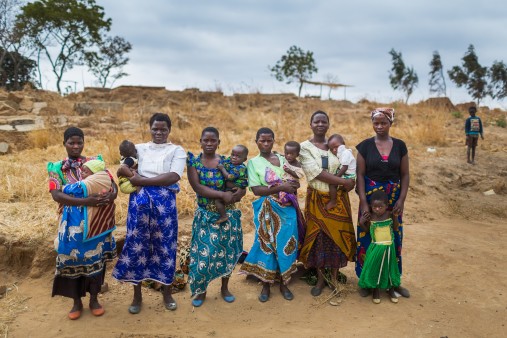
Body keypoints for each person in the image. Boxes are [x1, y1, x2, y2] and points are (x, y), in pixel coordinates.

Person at [112, 113, 186, 314]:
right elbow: (122, 168)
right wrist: (130, 175)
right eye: (155, 128)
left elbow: (173, 176)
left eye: (163, 129)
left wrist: (140, 180)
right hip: (140, 204)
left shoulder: (177, 150)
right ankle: (137, 296)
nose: (159, 132)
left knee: (166, 246)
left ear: (169, 130)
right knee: (137, 246)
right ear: (150, 128)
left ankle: (167, 292)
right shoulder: (139, 148)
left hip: (165, 206)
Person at [47, 127, 117, 320]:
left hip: (97, 221)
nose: (76, 146)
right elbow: (56, 195)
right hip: (71, 224)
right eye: (71, 143)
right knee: (72, 258)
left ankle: (94, 299)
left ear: (84, 143)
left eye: (79, 142)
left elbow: (111, 183)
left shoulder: (94, 162)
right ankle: (76, 302)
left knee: (96, 259)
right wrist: (85, 202)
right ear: (64, 144)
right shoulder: (56, 168)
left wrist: (112, 196)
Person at [298, 111, 356, 297]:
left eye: (324, 121)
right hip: (316, 199)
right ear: (311, 124)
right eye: (317, 121)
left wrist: (349, 181)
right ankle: (320, 279)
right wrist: (344, 182)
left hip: (338, 199)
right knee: (318, 239)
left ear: (328, 124)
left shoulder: (336, 145)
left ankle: (333, 277)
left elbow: (348, 164)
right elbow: (315, 173)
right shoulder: (304, 147)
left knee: (336, 239)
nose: (320, 124)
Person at [239, 128, 300, 303]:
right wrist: (282, 188)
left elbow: (295, 180)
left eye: (269, 141)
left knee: (286, 243)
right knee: (267, 243)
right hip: (267, 209)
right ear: (256, 141)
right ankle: (266, 284)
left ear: (274, 141)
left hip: (287, 208)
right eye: (262, 141)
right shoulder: (253, 163)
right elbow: (257, 190)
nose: (265, 144)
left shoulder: (283, 158)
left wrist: (292, 187)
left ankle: (284, 282)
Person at [187, 127, 246, 307]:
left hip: (227, 215)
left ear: (219, 142)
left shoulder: (227, 163)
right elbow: (198, 187)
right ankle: (201, 290)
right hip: (205, 214)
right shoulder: (194, 163)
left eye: (213, 141)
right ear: (201, 142)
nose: (209, 144)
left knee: (227, 253)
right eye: (206, 140)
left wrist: (239, 192)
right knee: (203, 256)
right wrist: (222, 196)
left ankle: (225, 288)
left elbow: (238, 184)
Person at [355, 107, 410, 299]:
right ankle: (366, 281)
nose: (379, 126)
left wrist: (401, 200)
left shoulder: (401, 146)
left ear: (390, 123)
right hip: (370, 200)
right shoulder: (364, 146)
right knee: (366, 238)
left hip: (393, 199)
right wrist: (363, 202)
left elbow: (405, 174)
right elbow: (359, 175)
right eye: (376, 123)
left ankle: (393, 282)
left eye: (383, 122)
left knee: (394, 238)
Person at [358, 190, 400, 304]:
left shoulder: (390, 215)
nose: (377, 209)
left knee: (390, 269)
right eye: (374, 207)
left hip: (389, 248)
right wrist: (362, 223)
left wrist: (396, 217)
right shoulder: (371, 217)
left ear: (386, 206)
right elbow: (368, 232)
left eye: (380, 207)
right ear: (371, 206)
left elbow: (396, 228)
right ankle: (375, 290)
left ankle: (391, 290)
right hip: (376, 248)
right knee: (375, 269)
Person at [215, 144, 249, 224]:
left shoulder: (240, 168)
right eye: (232, 155)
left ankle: (224, 216)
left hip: (233, 191)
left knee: (218, 201)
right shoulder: (230, 162)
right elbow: (223, 161)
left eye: (238, 156)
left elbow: (230, 177)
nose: (234, 157)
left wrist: (222, 169)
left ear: (244, 159)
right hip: (229, 189)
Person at [326, 133, 356, 210]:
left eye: (336, 147)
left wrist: (336, 177)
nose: (334, 150)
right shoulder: (342, 154)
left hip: (348, 176)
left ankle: (333, 201)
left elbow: (344, 167)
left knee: (332, 184)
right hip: (347, 175)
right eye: (332, 149)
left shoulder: (346, 153)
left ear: (343, 144)